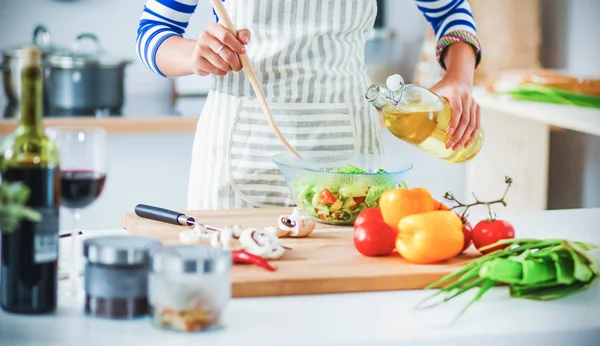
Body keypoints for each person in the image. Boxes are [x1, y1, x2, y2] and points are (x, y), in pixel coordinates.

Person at [136, 0, 483, 210]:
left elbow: (451, 9)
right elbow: (154, 32)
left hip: (349, 156)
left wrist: (459, 77)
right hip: (238, 159)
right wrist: (195, 54)